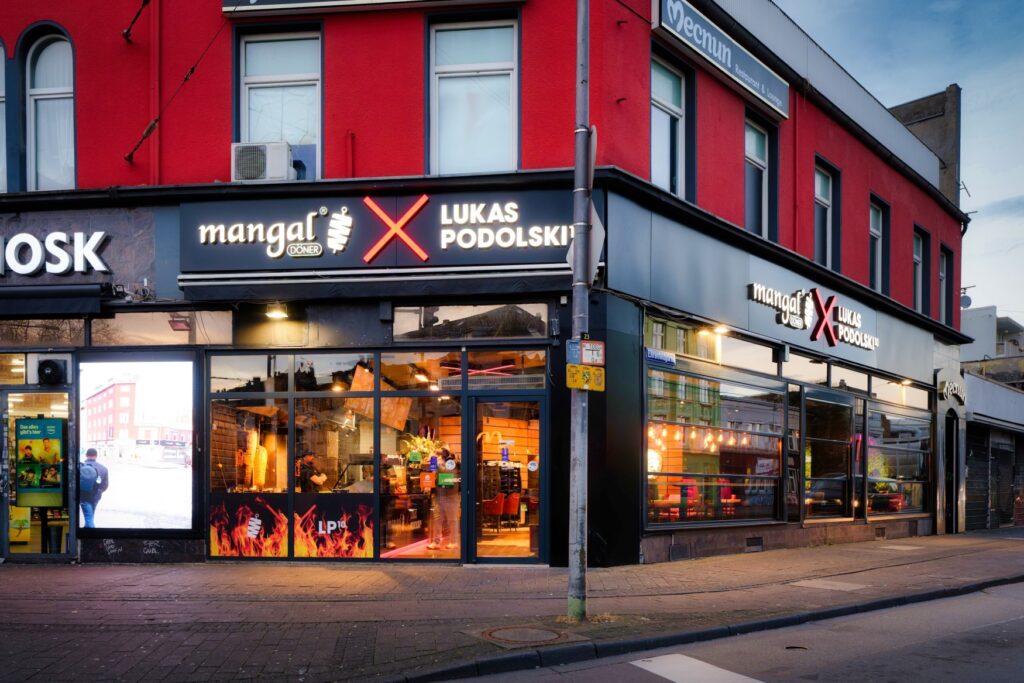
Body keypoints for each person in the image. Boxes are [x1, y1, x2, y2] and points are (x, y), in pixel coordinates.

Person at [79, 448, 109, 528]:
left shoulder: (80, 466)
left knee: (89, 518)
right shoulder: (103, 468)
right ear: (96, 456)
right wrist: (98, 491)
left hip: (84, 496)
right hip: (96, 496)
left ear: (86, 455)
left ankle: (91, 535)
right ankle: (87, 531)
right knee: (90, 516)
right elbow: (105, 485)